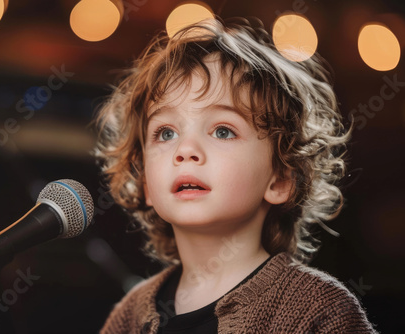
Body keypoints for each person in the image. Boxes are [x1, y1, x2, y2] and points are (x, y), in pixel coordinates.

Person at [94, 17, 377, 333]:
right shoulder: (129, 316)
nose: (185, 150)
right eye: (165, 133)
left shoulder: (319, 309)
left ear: (280, 179)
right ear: (145, 181)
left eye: (223, 131)